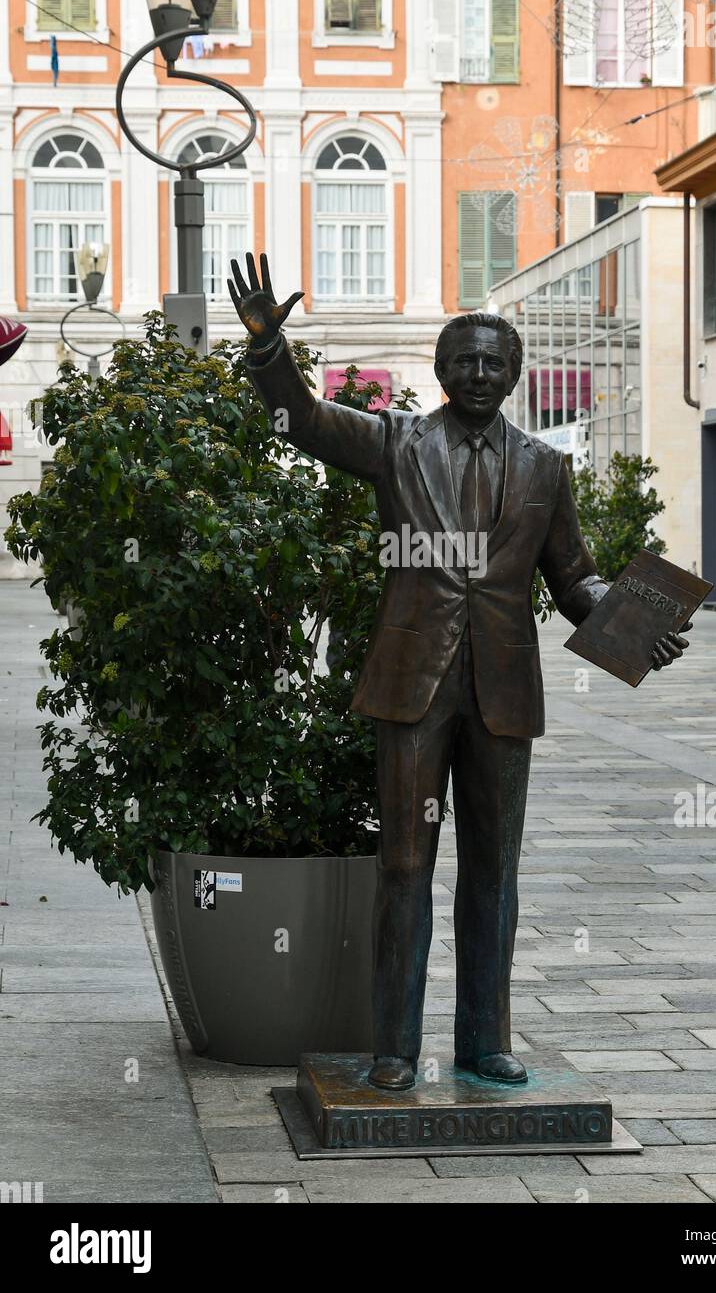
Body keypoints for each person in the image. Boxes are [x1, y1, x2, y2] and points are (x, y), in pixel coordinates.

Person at [228, 253, 689, 1091]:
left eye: (492, 362)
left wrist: (630, 624)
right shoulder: (397, 442)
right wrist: (269, 350)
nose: (478, 373)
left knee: (494, 872)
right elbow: (299, 418)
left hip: (503, 692)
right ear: (441, 373)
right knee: (404, 867)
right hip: (412, 686)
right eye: (464, 361)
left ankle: (484, 1042)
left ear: (514, 374)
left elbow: (573, 574)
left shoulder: (546, 468)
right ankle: (395, 1051)